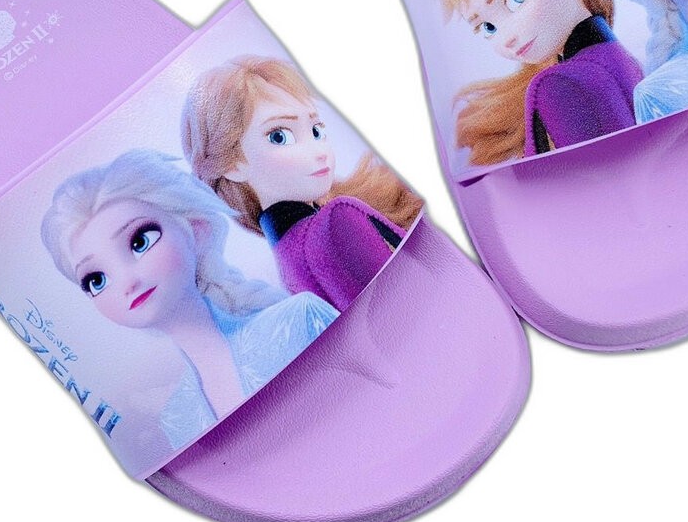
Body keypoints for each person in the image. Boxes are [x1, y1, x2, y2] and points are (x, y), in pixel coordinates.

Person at [41, 149, 337, 450]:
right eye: (96, 279)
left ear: (196, 230)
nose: (127, 282)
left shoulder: (298, 318)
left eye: (140, 242)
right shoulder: (178, 417)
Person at [181, 57, 422, 310]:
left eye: (317, 131)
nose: (320, 152)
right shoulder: (337, 221)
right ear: (232, 165)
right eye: (279, 136)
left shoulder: (289, 260)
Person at [434, 0, 642, 166]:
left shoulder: (559, 85)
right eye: (488, 27)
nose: (507, 37)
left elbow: (591, 180)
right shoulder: (623, 62)